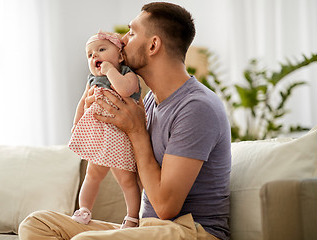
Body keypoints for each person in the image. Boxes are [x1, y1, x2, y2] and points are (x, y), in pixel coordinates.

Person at [19, 2, 231, 240]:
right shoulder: (149, 101)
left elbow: (165, 207)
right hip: (147, 228)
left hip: (191, 231)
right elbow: (144, 178)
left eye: (131, 32)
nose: (121, 39)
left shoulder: (196, 107)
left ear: (153, 45)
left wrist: (136, 130)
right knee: (36, 224)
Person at [68, 30, 141, 228]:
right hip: (99, 135)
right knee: (92, 175)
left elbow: (125, 90)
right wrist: (76, 124)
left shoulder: (127, 74)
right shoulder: (91, 80)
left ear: (120, 56)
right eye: (90, 55)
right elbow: (83, 102)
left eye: (101, 49)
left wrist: (110, 71)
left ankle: (132, 217)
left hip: (120, 136)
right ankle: (84, 209)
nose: (95, 56)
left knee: (126, 179)